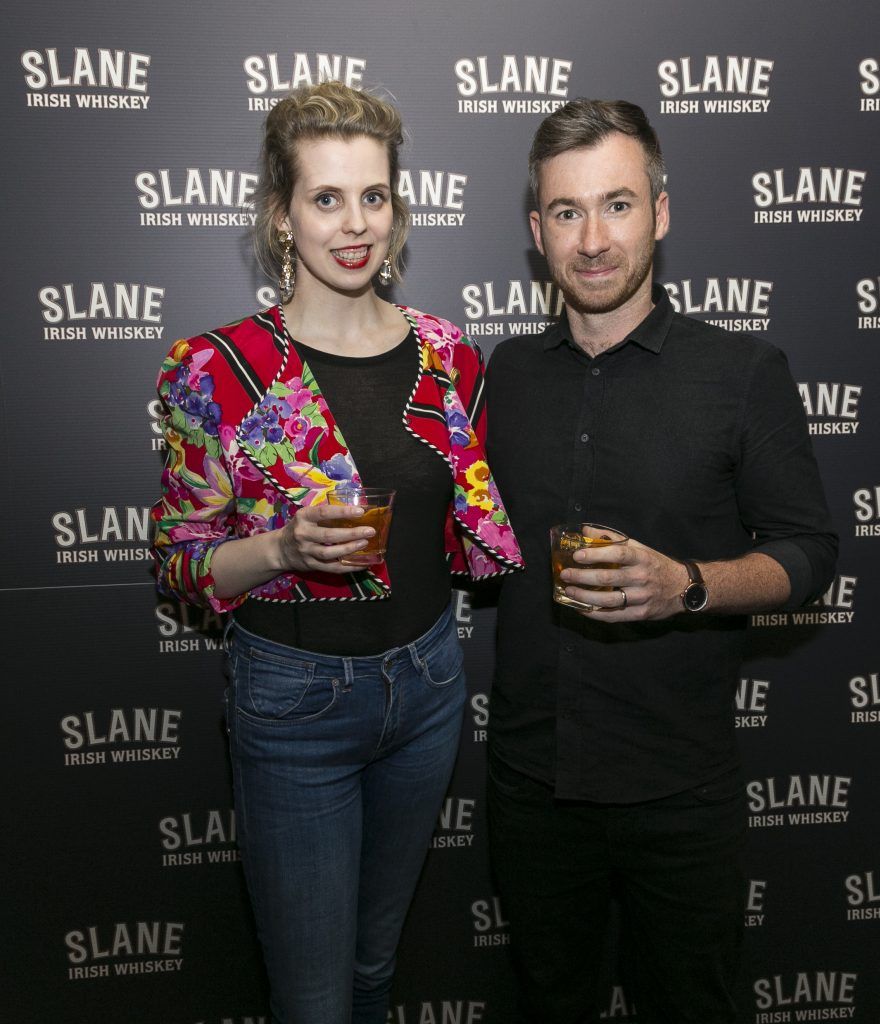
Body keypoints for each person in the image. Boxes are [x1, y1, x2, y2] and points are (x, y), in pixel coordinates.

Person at [150, 81, 522, 1024]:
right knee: (313, 1000)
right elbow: (182, 559)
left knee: (371, 970)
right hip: (294, 704)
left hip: (430, 688)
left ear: (398, 208)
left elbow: (472, 523)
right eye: (325, 198)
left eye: (374, 196)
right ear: (281, 214)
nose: (354, 224)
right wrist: (277, 546)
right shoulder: (216, 369)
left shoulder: (450, 358)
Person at [484, 99, 837, 1024]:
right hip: (533, 788)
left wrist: (688, 584)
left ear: (661, 213)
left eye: (617, 205)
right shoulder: (502, 376)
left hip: (679, 793)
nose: (592, 238)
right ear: (536, 231)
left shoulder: (743, 371)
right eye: (566, 212)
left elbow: (809, 552)